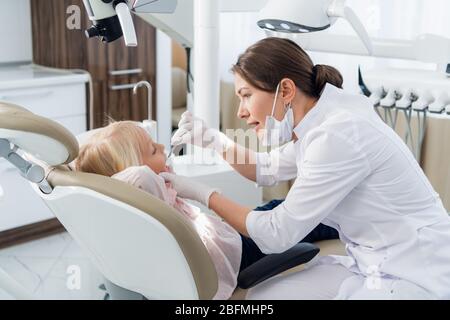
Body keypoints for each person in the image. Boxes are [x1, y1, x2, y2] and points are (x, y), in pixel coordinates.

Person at [162, 37, 450, 299]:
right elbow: (266, 167)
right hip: (370, 262)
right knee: (260, 297)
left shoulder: (337, 133)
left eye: (246, 95)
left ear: (285, 89)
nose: (241, 111)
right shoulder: (320, 122)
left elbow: (276, 234)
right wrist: (213, 139)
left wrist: (202, 193)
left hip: (415, 272)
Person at [74, 120, 338, 299]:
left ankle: (334, 212)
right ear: (132, 168)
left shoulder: (134, 208)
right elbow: (138, 176)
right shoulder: (144, 190)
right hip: (237, 253)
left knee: (273, 207)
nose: (164, 148)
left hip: (226, 236)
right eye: (154, 149)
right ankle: (338, 218)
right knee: (302, 218)